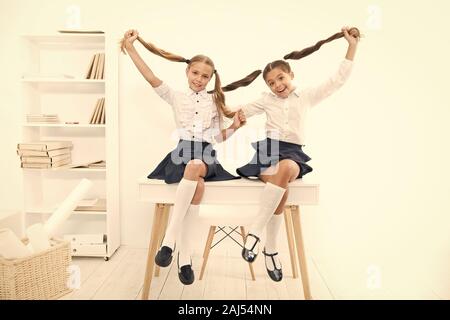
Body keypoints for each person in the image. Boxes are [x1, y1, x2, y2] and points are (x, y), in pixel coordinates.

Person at [121, 29, 246, 285]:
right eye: (195, 73)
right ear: (187, 72)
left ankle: (169, 242)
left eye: (205, 76)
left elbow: (217, 137)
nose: (199, 79)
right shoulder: (175, 96)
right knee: (196, 185)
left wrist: (234, 128)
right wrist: (131, 48)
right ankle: (185, 257)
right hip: (182, 153)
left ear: (211, 79)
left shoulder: (215, 101)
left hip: (205, 154)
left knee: (196, 164)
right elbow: (150, 76)